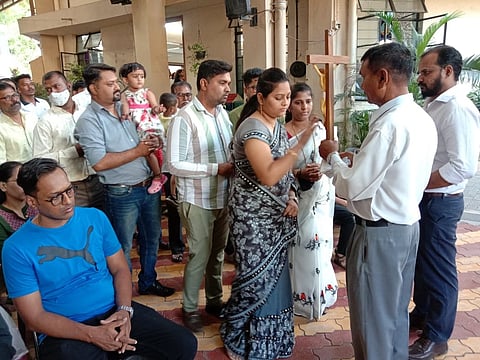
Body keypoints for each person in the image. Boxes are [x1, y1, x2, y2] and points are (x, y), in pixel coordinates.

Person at [1, 158, 197, 359]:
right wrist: (92, 335)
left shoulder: (94, 217)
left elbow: (120, 268)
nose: (68, 201)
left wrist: (124, 310)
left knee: (183, 344)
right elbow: (34, 317)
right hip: (65, 329)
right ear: (32, 201)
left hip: (113, 310)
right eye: (55, 198)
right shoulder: (16, 248)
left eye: (69, 190)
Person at [319, 42, 437, 360]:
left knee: (373, 322)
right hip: (406, 227)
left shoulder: (389, 125)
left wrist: (331, 156)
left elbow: (353, 187)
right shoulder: (420, 117)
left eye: (364, 76)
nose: (362, 84)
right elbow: (395, 172)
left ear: (382, 77)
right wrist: (355, 159)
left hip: (379, 235)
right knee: (394, 314)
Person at [220, 68, 317, 360]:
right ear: (260, 97)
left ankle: (272, 338)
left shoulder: (274, 125)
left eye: (288, 97)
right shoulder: (253, 129)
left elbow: (283, 175)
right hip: (252, 220)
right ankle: (237, 331)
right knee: (253, 279)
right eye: (279, 97)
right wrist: (299, 144)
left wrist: (291, 196)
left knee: (275, 277)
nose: (286, 103)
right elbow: (268, 174)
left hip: (276, 216)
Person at [74, 63, 175, 297]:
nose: (116, 87)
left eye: (115, 82)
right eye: (109, 84)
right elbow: (99, 162)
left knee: (152, 238)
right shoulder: (89, 120)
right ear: (93, 89)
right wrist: (139, 151)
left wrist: (153, 144)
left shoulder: (126, 109)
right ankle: (124, 293)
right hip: (121, 193)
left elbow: (143, 138)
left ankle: (148, 281)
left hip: (147, 185)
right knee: (122, 246)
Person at [409, 45, 480, 359]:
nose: (420, 78)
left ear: (448, 71)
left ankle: (437, 336)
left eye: (427, 72)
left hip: (440, 201)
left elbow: (462, 166)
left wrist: (420, 183)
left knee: (439, 269)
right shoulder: (434, 104)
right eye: (420, 72)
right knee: (423, 265)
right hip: (426, 199)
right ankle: (422, 314)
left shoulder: (457, 108)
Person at [167, 59, 233, 332]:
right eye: (223, 83)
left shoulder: (222, 114)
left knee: (217, 255)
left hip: (223, 198)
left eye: (228, 82)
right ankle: (190, 308)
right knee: (199, 255)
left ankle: (215, 302)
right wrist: (215, 169)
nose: (228, 88)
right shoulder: (185, 118)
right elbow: (174, 164)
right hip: (198, 199)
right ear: (204, 84)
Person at [285, 82, 337, 320]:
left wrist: (324, 168)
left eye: (308, 101)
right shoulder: (284, 133)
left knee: (323, 244)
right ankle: (302, 299)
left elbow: (327, 163)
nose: (304, 107)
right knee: (304, 245)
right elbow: (281, 171)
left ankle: (322, 296)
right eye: (298, 102)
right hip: (299, 196)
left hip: (322, 196)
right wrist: (300, 174)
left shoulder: (320, 129)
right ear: (289, 104)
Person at [33, 71, 104, 209]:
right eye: (48, 90)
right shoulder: (45, 122)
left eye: (56, 86)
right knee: (77, 225)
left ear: (68, 85)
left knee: (102, 222)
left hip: (98, 180)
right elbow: (39, 159)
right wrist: (74, 152)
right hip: (72, 187)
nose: (53, 92)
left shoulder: (87, 110)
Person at [119, 62, 167, 195]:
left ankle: (158, 176)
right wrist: (125, 114)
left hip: (148, 124)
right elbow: (125, 107)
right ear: (125, 79)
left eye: (142, 76)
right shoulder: (124, 95)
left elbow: (155, 107)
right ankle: (155, 174)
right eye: (135, 76)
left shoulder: (147, 92)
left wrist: (159, 109)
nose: (139, 79)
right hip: (135, 126)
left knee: (148, 150)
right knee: (143, 151)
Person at [0, 161, 38, 292]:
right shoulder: (1, 219)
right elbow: (7, 259)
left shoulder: (39, 205)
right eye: (19, 181)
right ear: (3, 186)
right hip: (24, 275)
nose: (25, 185)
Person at [158, 92, 185, 262]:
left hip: (187, 170)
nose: (185, 99)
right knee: (174, 209)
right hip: (168, 169)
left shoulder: (185, 119)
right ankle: (177, 246)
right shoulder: (159, 120)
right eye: (181, 95)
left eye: (188, 95)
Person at [0, 82, 38, 163]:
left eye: (15, 95)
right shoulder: (1, 127)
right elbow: (1, 162)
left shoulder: (31, 117)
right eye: (7, 97)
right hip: (18, 174)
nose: (14, 100)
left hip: (42, 169)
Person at [332, 196, 355, 269]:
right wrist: (345, 203)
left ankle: (341, 252)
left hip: (329, 200)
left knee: (349, 215)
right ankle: (340, 254)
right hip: (318, 202)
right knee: (348, 216)